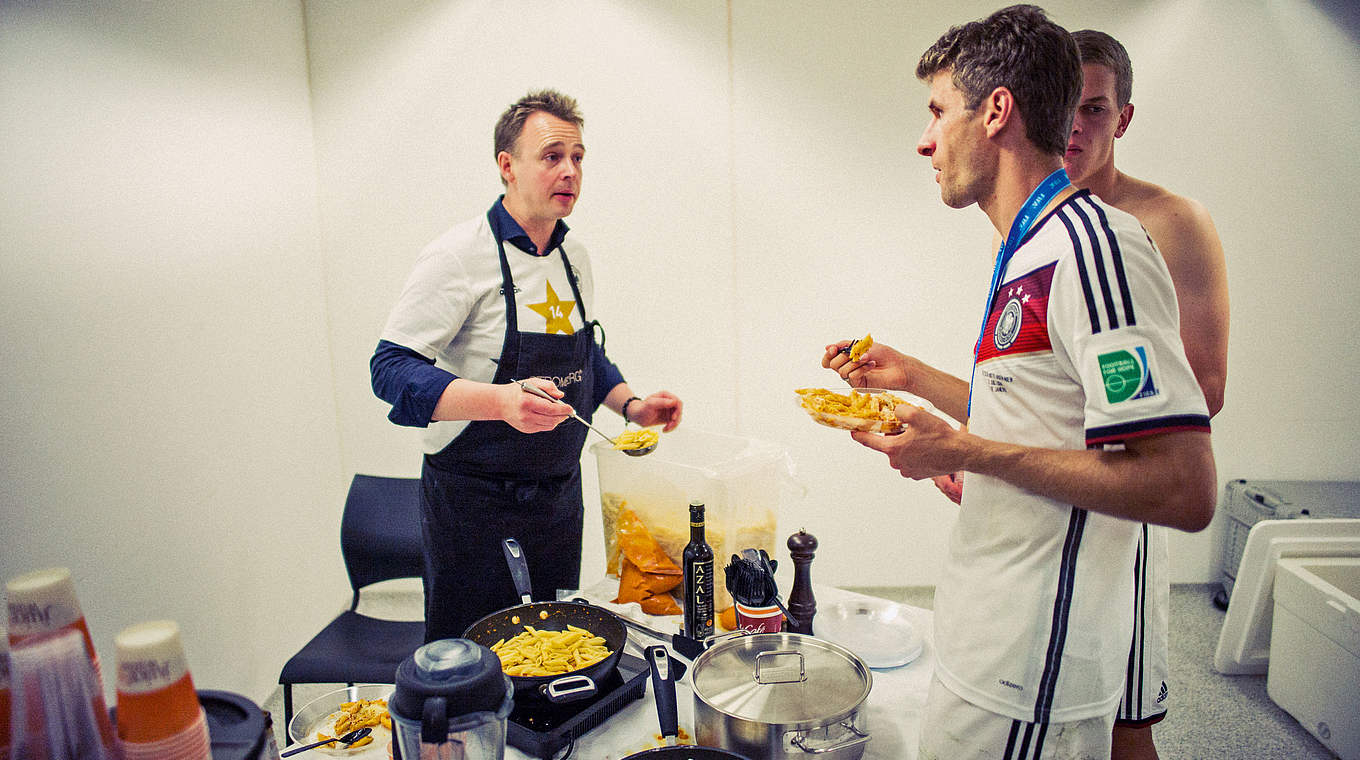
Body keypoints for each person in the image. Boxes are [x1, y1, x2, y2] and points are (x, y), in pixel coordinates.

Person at [821, 6, 1217, 758]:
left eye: (939, 111)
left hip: (1036, 666)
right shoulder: (1027, 249)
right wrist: (921, 390)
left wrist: (967, 454)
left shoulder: (1096, 249)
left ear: (996, 110)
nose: (925, 139)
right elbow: (1044, 423)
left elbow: (1181, 487)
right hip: (987, 636)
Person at [371, 89, 682, 642]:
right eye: (552, 155)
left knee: (557, 648)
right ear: (507, 167)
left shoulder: (574, 256)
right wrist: (501, 403)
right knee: (472, 660)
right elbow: (390, 369)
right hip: (473, 505)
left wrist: (631, 405)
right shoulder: (458, 254)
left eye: (579, 157)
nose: (570, 171)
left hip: (559, 500)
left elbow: (582, 351)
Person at [1063, 29, 1229, 760]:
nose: (1074, 125)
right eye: (1062, 105)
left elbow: (1207, 386)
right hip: (1049, 497)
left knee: (1126, 726)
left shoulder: (1172, 222)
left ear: (1123, 117)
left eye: (1094, 109)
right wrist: (992, 462)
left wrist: (1034, 456)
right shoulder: (1040, 224)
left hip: (1126, 501)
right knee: (1053, 705)